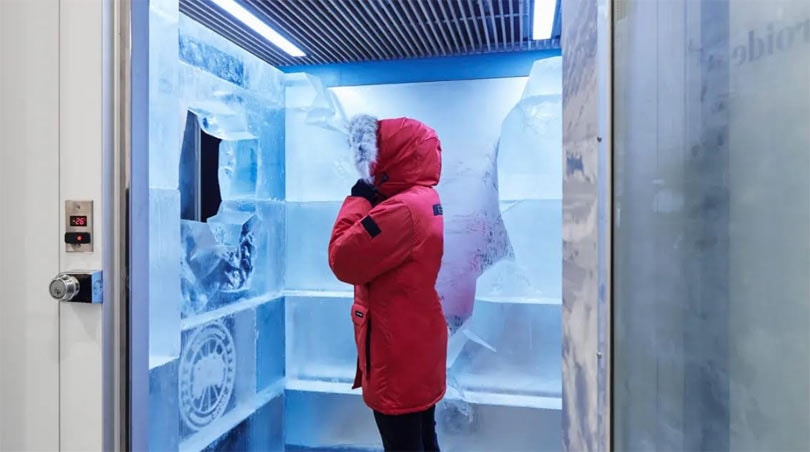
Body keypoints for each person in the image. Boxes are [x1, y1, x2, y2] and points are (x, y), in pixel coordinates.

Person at [328, 114, 447, 451]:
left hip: (397, 356)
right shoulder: (425, 198)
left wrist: (358, 199)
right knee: (423, 437)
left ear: (394, 156)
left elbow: (342, 259)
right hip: (417, 344)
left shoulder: (400, 210)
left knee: (403, 442)